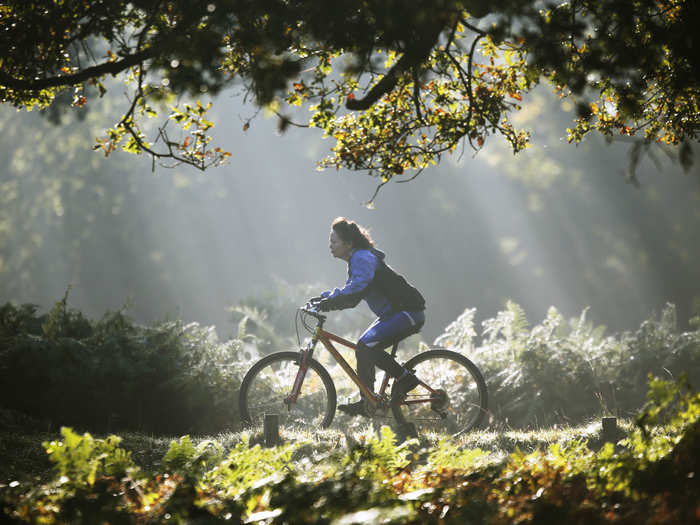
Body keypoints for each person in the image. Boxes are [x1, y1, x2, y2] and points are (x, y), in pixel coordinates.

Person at [312, 217, 426, 417]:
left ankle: (405, 380)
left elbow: (356, 289)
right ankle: (368, 400)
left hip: (407, 312)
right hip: (395, 313)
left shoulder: (362, 258)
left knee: (366, 346)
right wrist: (325, 299)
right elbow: (352, 292)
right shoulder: (357, 258)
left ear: (348, 244)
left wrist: (329, 302)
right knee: (363, 348)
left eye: (334, 242)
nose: (330, 246)